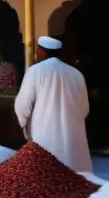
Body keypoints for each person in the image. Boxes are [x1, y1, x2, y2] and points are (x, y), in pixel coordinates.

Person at [14, 36, 92, 172]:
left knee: (47, 174)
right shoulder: (76, 74)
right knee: (73, 177)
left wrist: (24, 125)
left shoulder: (35, 71)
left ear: (42, 52)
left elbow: (23, 105)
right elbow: (84, 108)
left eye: (38, 50)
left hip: (44, 132)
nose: (36, 53)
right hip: (71, 135)